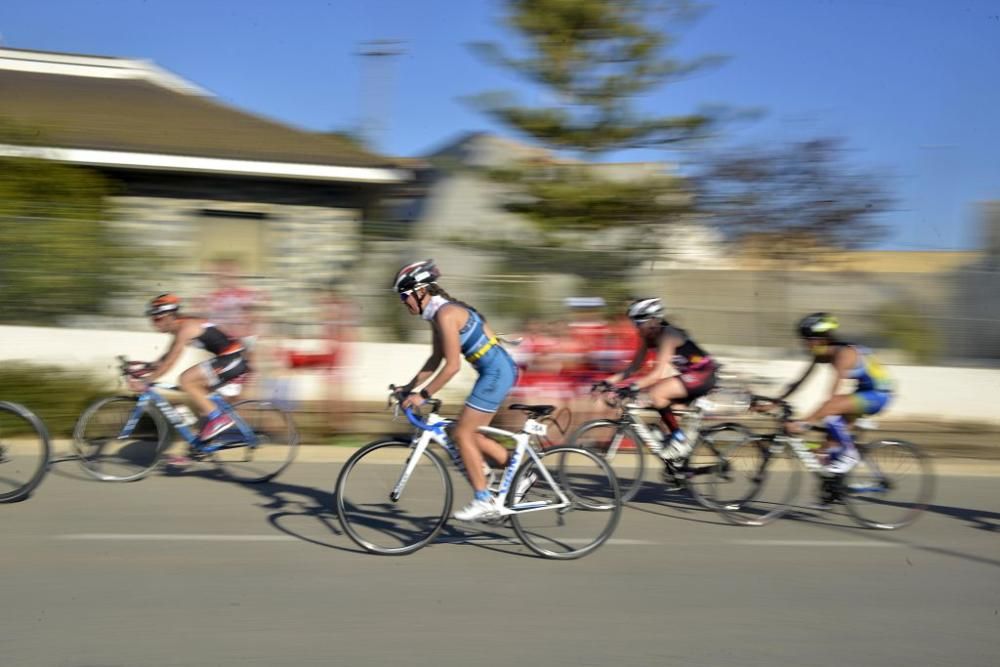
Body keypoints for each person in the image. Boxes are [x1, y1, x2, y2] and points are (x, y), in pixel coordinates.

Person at [392, 260, 520, 521]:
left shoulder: (445, 314)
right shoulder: (437, 315)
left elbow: (451, 367)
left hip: (496, 373)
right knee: (467, 434)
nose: (403, 301)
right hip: (495, 372)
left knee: (462, 433)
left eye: (405, 295)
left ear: (421, 291)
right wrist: (408, 388)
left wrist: (422, 396)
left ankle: (484, 499)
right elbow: (435, 359)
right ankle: (518, 470)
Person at [772, 312, 893, 504]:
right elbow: (800, 382)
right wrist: (775, 401)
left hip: (879, 394)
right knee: (827, 447)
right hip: (863, 391)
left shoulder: (843, 354)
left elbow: (832, 398)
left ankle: (851, 455)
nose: (804, 344)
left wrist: (803, 424)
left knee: (831, 410)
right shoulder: (822, 353)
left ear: (821, 339)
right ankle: (834, 490)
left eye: (807, 340)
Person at [130, 294, 250, 461]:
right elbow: (166, 358)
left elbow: (171, 361)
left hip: (233, 359)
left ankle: (220, 420)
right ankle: (201, 447)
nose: (153, 322)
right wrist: (143, 368)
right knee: (201, 403)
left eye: (156, 318)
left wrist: (148, 381)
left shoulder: (186, 327)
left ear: (168, 316)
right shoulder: (179, 328)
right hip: (229, 359)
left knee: (186, 380)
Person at [600, 297, 719, 461]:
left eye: (639, 323)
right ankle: (679, 469)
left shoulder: (668, 335)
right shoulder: (648, 338)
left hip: (703, 374)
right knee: (666, 424)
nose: (637, 328)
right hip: (689, 377)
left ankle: (679, 439)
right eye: (635, 323)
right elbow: (634, 366)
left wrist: (631, 387)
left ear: (654, 320)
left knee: (657, 393)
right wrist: (608, 382)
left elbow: (658, 374)